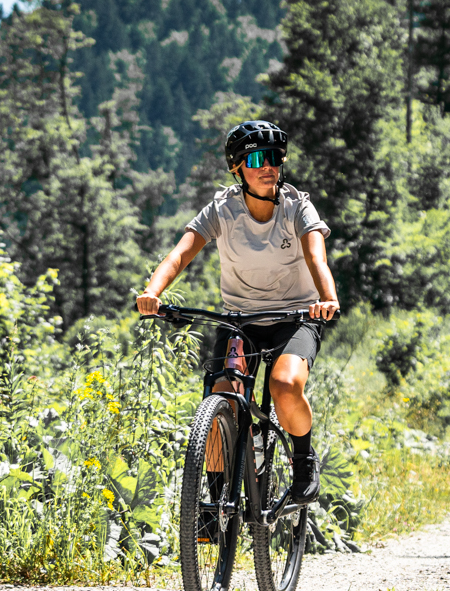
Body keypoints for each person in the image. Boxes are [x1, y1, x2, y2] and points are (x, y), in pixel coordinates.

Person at [135, 119, 341, 506]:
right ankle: (213, 503)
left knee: (284, 385)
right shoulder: (222, 210)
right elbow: (180, 254)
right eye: (258, 159)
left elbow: (317, 258)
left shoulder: (298, 207)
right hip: (239, 322)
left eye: (276, 158)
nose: (270, 167)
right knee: (222, 397)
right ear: (237, 168)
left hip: (296, 317)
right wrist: (152, 292)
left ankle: (302, 461)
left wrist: (327, 298)